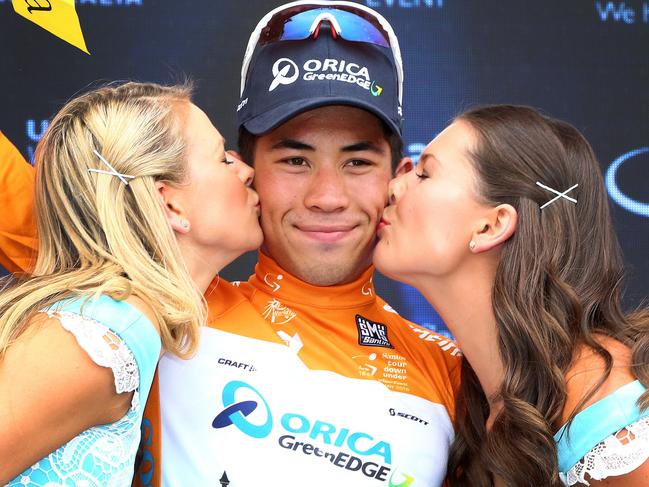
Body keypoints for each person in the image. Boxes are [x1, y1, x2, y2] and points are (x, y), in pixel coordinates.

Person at [0, 3, 461, 486]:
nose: (327, 197)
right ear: (248, 169)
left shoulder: (451, 372)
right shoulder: (148, 296)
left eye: (358, 163)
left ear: (399, 176)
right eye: (294, 161)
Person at [0, 81, 262, 485]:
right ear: (170, 203)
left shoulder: (121, 321)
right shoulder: (109, 332)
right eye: (223, 159)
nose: (247, 170)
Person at [374, 104, 649, 486]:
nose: (393, 185)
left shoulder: (609, 412)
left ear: (492, 225)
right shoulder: (477, 406)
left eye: (424, 173)